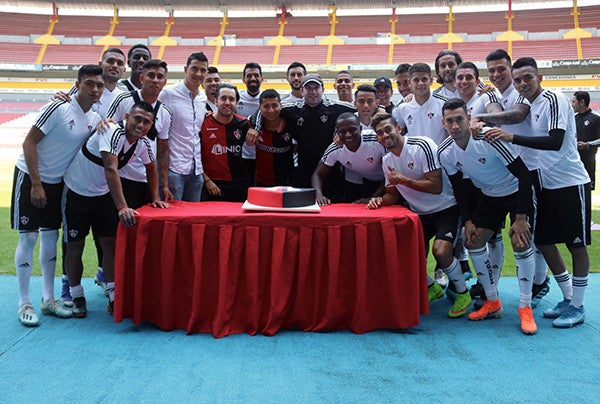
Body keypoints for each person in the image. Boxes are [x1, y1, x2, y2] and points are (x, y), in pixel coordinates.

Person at [484, 57, 591, 328]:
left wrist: (512, 137)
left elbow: (555, 141)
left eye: (527, 78)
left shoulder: (553, 97)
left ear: (539, 77)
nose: (522, 84)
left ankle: (578, 305)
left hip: (568, 182)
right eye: (518, 80)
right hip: (543, 182)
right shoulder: (528, 104)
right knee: (543, 241)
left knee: (576, 244)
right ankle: (567, 298)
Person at [10, 64, 104, 326]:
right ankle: (24, 303)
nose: (95, 89)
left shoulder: (95, 118)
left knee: (51, 237)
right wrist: (37, 184)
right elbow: (29, 142)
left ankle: (48, 299)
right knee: (28, 237)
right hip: (31, 177)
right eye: (89, 84)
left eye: (98, 85)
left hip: (59, 184)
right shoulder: (58, 108)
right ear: (77, 84)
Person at [438, 98, 537, 334]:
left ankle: (525, 307)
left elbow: (524, 175)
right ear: (443, 123)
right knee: (473, 240)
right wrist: (469, 219)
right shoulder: (445, 151)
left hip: (516, 191)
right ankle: (493, 302)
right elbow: (460, 189)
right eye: (449, 121)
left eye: (459, 119)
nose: (455, 126)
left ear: (469, 118)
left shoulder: (488, 137)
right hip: (488, 196)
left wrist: (521, 218)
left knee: (520, 241)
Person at [63, 102, 170, 317]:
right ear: (128, 116)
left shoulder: (143, 144)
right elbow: (111, 168)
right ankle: (76, 295)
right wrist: (122, 207)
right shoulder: (112, 130)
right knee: (75, 245)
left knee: (110, 244)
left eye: (146, 122)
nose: (141, 125)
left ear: (151, 125)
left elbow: (152, 168)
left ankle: (113, 294)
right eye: (137, 119)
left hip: (102, 195)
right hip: (77, 192)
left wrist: (156, 197)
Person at [366, 112, 472, 318]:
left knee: (441, 251)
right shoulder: (387, 159)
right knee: (402, 254)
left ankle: (462, 293)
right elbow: (392, 194)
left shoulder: (422, 145)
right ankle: (432, 288)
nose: (384, 135)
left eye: (388, 129)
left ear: (399, 128)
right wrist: (377, 200)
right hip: (418, 214)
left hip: (446, 208)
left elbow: (436, 186)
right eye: (379, 133)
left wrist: (403, 180)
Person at [473, 49, 550, 308]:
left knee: (531, 232)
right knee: (505, 234)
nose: (496, 74)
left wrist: (479, 118)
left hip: (531, 170)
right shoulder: (496, 95)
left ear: (511, 69)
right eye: (491, 70)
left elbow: (517, 116)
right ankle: (491, 287)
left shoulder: (520, 91)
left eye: (501, 69)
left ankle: (540, 281)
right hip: (508, 172)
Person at [251, 73, 356, 195]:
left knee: (334, 205)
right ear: (301, 91)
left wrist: (379, 109)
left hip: (330, 167)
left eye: (316, 88)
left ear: (323, 90)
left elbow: (360, 108)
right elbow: (261, 110)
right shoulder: (292, 109)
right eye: (308, 88)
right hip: (303, 168)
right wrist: (255, 127)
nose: (313, 92)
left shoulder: (335, 107)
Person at [106, 59, 173, 208]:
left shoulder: (165, 113)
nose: (155, 80)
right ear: (142, 78)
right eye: (151, 75)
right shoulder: (124, 100)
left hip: (147, 179)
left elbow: (162, 150)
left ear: (165, 82)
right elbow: (107, 127)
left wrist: (164, 185)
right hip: (121, 176)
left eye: (160, 77)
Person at [160, 52, 208, 202]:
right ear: (186, 69)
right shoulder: (168, 94)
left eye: (203, 70)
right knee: (173, 220)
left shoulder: (202, 98)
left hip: (196, 170)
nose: (198, 73)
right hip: (174, 170)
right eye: (194, 68)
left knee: (193, 220)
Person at [312, 112, 385, 204]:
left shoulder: (376, 140)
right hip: (365, 183)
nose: (348, 135)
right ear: (337, 133)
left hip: (389, 182)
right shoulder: (335, 149)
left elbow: (392, 170)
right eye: (342, 131)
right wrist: (318, 195)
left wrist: (374, 198)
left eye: (352, 130)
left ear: (361, 129)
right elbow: (318, 174)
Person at [201, 84, 254, 202]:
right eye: (223, 98)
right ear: (215, 101)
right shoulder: (203, 124)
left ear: (236, 103)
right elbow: (195, 156)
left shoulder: (244, 124)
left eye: (231, 99)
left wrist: (254, 127)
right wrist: (207, 181)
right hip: (213, 184)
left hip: (238, 183)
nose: (227, 102)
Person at [253, 89, 294, 186]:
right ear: (260, 108)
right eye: (266, 106)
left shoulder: (291, 123)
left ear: (281, 106)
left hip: (287, 181)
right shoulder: (253, 126)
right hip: (261, 182)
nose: (271, 110)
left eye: (274, 105)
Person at [237, 62, 264, 181]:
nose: (252, 78)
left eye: (256, 75)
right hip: (243, 155)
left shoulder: (268, 100)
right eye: (249, 76)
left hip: (264, 155)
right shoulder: (237, 99)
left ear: (262, 79)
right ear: (243, 79)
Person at [572, 91, 600, 191]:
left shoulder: (596, 118)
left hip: (588, 162)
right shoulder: (573, 118)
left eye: (574, 101)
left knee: (587, 190)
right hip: (573, 161)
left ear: (582, 102)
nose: (572, 104)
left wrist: (588, 145)